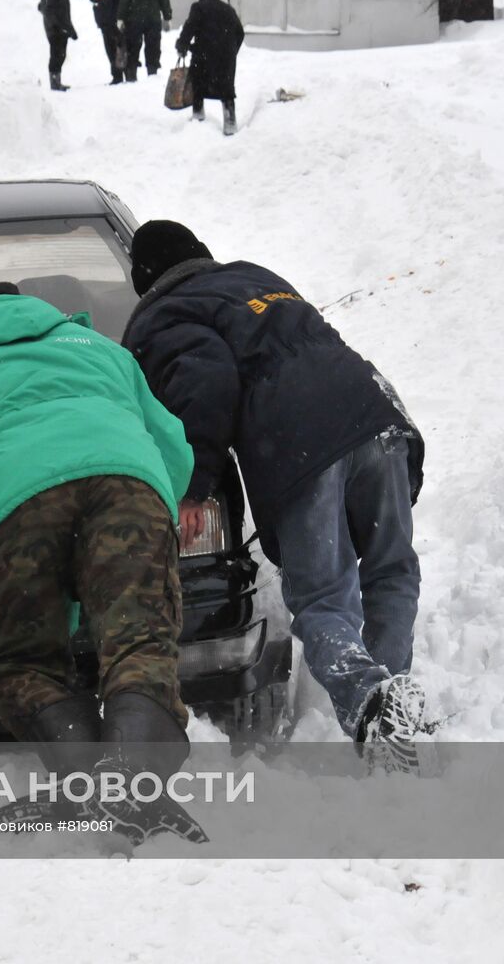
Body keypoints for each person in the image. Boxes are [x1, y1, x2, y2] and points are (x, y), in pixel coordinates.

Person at [0, 276, 205, 842]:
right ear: (30, 308)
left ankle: (90, 781)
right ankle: (131, 775)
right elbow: (174, 453)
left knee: (19, 660)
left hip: (16, 500)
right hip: (129, 483)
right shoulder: (102, 351)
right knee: (139, 640)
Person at [122, 221, 428, 772]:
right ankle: (394, 701)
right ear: (201, 253)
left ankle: (373, 703)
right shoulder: (256, 278)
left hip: (300, 444)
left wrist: (193, 487)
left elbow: (204, 385)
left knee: (322, 599)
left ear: (143, 278)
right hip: (376, 417)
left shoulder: (163, 315)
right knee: (391, 569)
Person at [177, 0, 245, 135]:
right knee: (226, 91)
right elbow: (240, 33)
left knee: (198, 86)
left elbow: (189, 28)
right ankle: (230, 124)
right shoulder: (229, 9)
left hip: (204, 56)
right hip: (225, 59)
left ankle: (198, 118)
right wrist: (231, 52)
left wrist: (182, 45)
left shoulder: (198, 7)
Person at [115, 0, 171, 81]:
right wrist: (167, 16)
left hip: (134, 20)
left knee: (133, 47)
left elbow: (124, 0)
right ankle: (152, 71)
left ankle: (132, 74)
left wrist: (120, 18)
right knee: (153, 46)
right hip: (153, 19)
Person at [38, 0, 78, 92]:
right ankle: (54, 83)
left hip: (62, 28)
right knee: (56, 55)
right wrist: (57, 26)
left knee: (61, 55)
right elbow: (47, 10)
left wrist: (70, 29)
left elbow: (63, 13)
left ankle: (57, 81)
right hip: (54, 29)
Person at [90, 0, 128, 85]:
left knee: (122, 49)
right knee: (110, 50)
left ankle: (128, 75)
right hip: (105, 21)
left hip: (119, 20)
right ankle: (116, 76)